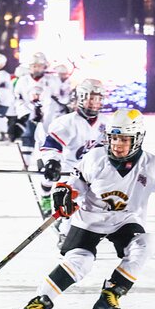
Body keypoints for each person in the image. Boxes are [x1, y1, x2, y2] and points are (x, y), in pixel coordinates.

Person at [13, 109, 155, 309]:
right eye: (114, 138)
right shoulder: (95, 158)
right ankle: (37, 304)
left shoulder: (153, 165)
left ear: (138, 138)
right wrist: (65, 192)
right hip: (89, 218)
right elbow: (74, 183)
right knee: (80, 261)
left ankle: (109, 297)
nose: (117, 144)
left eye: (124, 139)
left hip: (126, 220)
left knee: (145, 244)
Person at [38, 79, 107, 222]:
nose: (94, 103)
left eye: (98, 99)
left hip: (91, 172)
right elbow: (52, 145)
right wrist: (52, 161)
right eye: (91, 99)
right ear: (80, 98)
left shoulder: (107, 122)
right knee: (65, 207)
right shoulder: (66, 122)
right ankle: (46, 197)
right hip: (69, 170)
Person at [12, 51, 62, 155]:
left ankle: (46, 161)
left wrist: (54, 114)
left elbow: (58, 99)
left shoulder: (53, 80)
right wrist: (24, 114)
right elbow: (18, 98)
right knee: (27, 138)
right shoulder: (23, 80)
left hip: (48, 116)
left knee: (48, 140)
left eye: (39, 66)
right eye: (34, 66)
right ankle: (27, 161)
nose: (37, 68)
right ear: (30, 67)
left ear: (44, 66)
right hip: (29, 115)